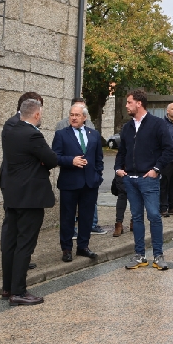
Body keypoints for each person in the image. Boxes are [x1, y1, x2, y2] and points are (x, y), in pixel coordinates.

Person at [1, 99, 58, 306]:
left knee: (10, 243)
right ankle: (19, 292)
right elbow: (51, 159)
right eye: (40, 113)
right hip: (30, 198)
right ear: (35, 115)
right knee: (25, 244)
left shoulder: (8, 130)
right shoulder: (33, 134)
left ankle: (7, 288)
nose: (41, 116)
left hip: (13, 195)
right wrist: (41, 160)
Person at [115, 89, 173, 270]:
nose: (127, 105)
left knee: (154, 216)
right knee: (136, 217)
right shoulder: (127, 127)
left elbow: (168, 150)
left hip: (148, 179)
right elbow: (122, 151)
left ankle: (158, 255)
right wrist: (118, 168)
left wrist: (156, 169)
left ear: (139, 103)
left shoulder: (157, 124)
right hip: (130, 180)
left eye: (129, 102)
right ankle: (140, 255)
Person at [52, 105, 104, 262]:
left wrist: (97, 176)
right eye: (71, 115)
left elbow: (98, 159)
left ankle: (83, 246)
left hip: (90, 184)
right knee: (67, 217)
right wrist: (71, 160)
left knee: (87, 217)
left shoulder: (94, 134)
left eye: (77, 115)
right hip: (69, 183)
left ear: (84, 117)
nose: (73, 118)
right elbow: (55, 157)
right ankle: (66, 249)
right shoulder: (61, 134)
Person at [0, 91, 44, 274]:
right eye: (38, 107)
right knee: (12, 229)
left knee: (22, 230)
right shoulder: (13, 124)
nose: (40, 112)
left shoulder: (26, 125)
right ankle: (13, 265)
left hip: (23, 183)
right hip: (16, 183)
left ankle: (20, 261)